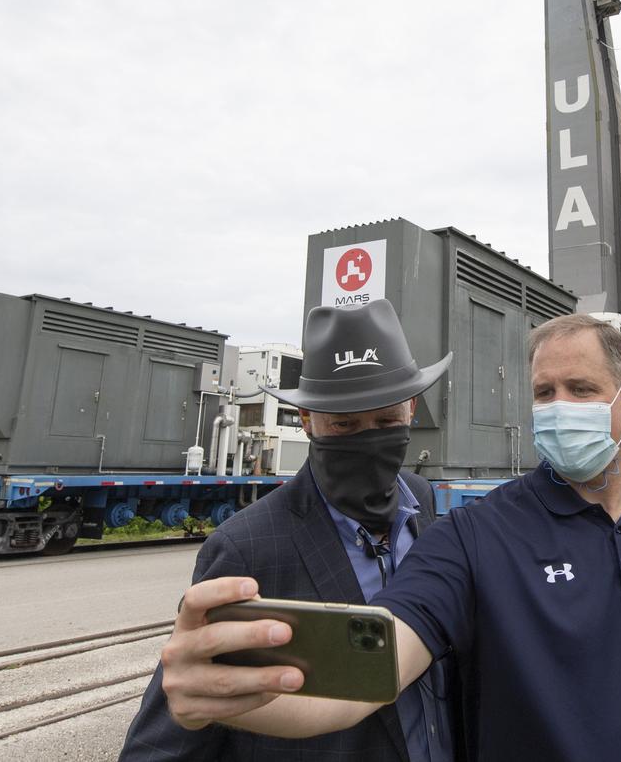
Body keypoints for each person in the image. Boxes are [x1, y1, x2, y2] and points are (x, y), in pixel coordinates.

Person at [157, 312, 621, 761]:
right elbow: (374, 666)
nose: (560, 406)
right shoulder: (476, 534)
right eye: (545, 393)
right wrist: (215, 698)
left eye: (581, 390)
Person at [120, 299, 457, 762]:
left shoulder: (424, 503)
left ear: (412, 409)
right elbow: (165, 741)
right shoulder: (248, 547)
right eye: (345, 424)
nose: (368, 438)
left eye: (385, 421)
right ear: (307, 420)